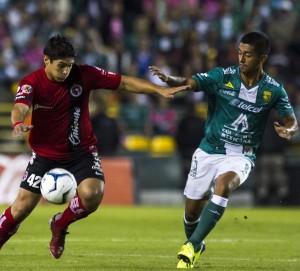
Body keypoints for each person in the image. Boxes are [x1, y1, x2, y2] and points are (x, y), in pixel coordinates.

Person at [0, 34, 190, 259]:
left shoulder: (85, 73)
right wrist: (18, 122)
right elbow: (20, 106)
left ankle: (60, 224)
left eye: (69, 66)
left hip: (81, 151)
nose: (66, 72)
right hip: (44, 155)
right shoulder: (31, 82)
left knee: (93, 195)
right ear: (46, 61)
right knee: (20, 209)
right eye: (61, 66)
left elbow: (124, 82)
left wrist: (157, 89)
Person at [149, 31, 298, 269]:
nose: (241, 59)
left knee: (224, 185)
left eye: (247, 55)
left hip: (241, 154)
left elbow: (291, 120)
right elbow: (191, 82)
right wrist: (170, 79)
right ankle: (196, 242)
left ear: (262, 58)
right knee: (191, 214)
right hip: (209, 150)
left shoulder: (274, 89)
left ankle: (190, 246)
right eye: (239, 53)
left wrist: (289, 131)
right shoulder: (222, 76)